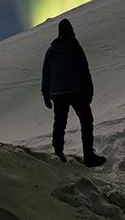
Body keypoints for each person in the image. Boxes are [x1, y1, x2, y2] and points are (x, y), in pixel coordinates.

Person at [41, 18, 106, 167]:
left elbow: (46, 72)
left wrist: (45, 93)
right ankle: (88, 155)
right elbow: (83, 67)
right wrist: (89, 89)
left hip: (56, 92)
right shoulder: (74, 45)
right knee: (86, 120)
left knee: (59, 122)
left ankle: (58, 153)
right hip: (75, 90)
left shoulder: (51, 50)